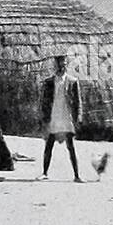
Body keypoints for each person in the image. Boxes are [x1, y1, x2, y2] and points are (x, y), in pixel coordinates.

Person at [39, 54, 83, 182]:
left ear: (66, 66)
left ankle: (77, 175)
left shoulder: (73, 82)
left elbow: (78, 101)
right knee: (49, 145)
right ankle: (44, 173)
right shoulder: (48, 82)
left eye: (63, 65)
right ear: (55, 66)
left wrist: (78, 116)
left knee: (71, 146)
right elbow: (44, 102)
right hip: (53, 116)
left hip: (66, 117)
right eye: (58, 65)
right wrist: (43, 117)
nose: (61, 67)